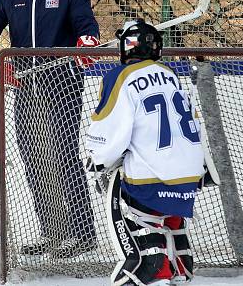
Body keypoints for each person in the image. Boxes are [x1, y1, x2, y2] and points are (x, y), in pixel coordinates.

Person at [0, 0, 99, 258]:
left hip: (62, 82)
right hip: (25, 85)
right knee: (34, 159)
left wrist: (87, 42)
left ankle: (82, 234)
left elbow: (86, 25)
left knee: (63, 155)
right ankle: (52, 233)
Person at [85, 19, 205, 285]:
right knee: (164, 203)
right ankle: (179, 261)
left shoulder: (120, 76)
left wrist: (96, 159)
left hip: (152, 179)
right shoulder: (170, 74)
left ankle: (154, 269)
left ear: (125, 48)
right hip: (189, 176)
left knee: (122, 192)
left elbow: (110, 128)